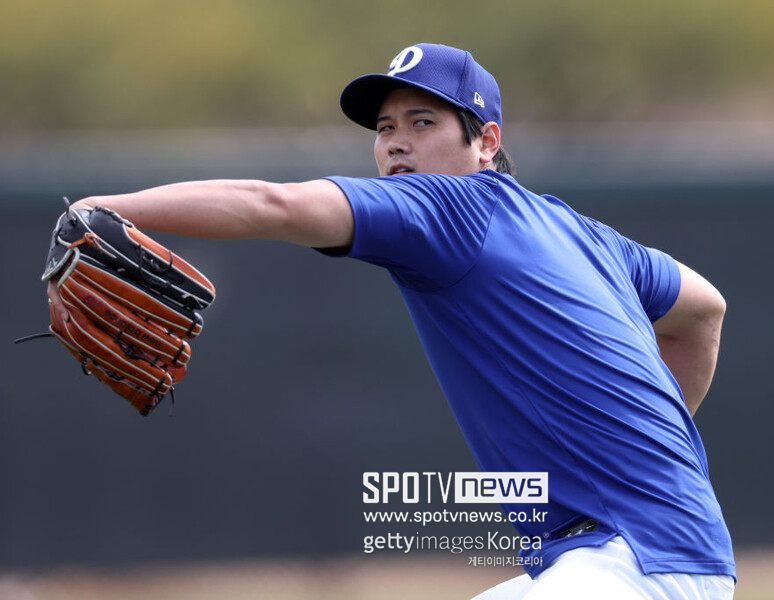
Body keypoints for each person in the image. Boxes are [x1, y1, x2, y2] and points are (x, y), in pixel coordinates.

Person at [48, 43, 736, 599]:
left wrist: (100, 209)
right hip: (652, 550)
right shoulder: (583, 234)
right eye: (384, 129)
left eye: (422, 123)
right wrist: (647, 453)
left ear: (486, 142)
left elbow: (272, 204)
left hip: (633, 562)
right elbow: (705, 309)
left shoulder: (446, 209)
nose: (396, 145)